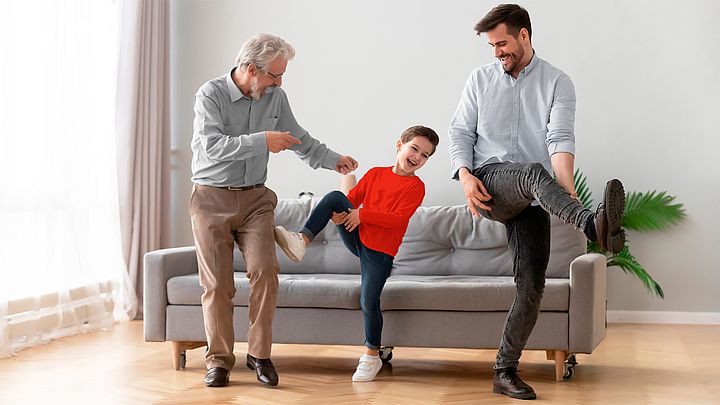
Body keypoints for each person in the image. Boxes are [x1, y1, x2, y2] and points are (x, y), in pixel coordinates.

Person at [448, 4, 626, 400]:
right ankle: (592, 225)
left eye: (503, 43)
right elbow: (460, 132)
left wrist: (566, 194)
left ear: (524, 35)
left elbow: (560, 139)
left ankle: (504, 370)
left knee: (531, 284)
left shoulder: (558, 82)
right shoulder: (479, 80)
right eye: (492, 46)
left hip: (532, 196)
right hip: (491, 183)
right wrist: (464, 176)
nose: (497, 52)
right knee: (529, 171)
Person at [190, 33, 358, 388]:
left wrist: (333, 160)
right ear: (251, 69)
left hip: (256, 201)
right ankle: (218, 360)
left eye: (281, 76)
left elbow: (299, 138)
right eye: (273, 76)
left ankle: (259, 354)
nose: (279, 83)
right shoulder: (211, 94)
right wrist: (262, 140)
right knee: (217, 285)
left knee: (266, 272)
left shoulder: (275, 97)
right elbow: (212, 147)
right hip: (210, 200)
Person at [273, 125, 439, 382]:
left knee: (368, 302)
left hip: (380, 253)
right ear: (400, 145)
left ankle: (372, 356)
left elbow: (397, 219)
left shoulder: (415, 187)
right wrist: (340, 216)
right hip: (358, 238)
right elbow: (351, 199)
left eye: (425, 155)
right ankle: (302, 240)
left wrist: (362, 215)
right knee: (334, 196)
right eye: (414, 148)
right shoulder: (374, 174)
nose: (417, 157)